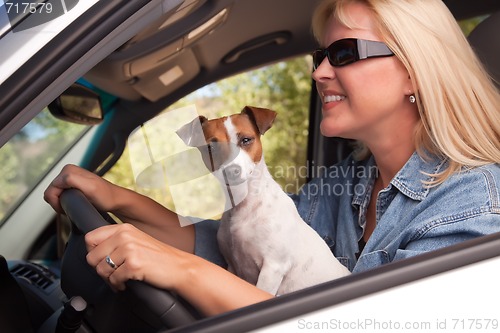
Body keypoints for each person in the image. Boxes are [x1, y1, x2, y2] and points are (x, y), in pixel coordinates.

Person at [44, 0, 500, 317]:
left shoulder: (474, 208)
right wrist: (115, 197)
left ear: (415, 70)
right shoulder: (345, 182)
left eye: (343, 53)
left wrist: (181, 270)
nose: (319, 71)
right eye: (322, 55)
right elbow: (237, 247)